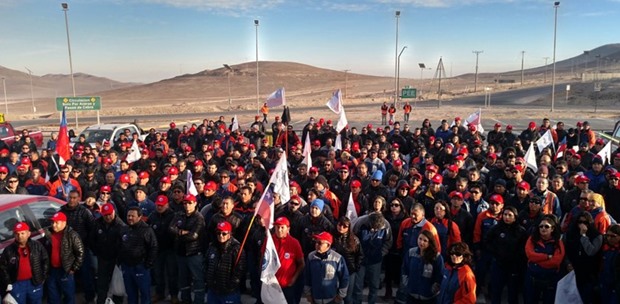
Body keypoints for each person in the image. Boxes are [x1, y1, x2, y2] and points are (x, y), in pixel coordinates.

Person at [485, 206, 527, 304]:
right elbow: (487, 241)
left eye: (510, 215)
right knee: (496, 292)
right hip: (498, 264)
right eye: (505, 214)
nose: (506, 217)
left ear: (515, 217)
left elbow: (524, 247)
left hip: (514, 266)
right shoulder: (496, 228)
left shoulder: (521, 231)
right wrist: (496, 252)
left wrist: (516, 257)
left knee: (513, 293)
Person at [169, 194, 206, 304]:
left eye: (190, 203)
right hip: (181, 252)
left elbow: (194, 236)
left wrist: (179, 233)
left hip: (194, 253)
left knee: (198, 279)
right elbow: (171, 229)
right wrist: (182, 232)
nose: (187, 205)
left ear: (195, 203)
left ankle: (198, 301)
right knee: (183, 279)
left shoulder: (199, 217)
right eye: (185, 203)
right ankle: (186, 300)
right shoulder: (179, 215)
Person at [0, 222, 49, 304]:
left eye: (22, 233)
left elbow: (45, 260)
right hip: (17, 285)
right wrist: (8, 282)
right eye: (17, 233)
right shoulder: (8, 250)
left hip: (34, 282)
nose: (20, 236)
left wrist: (43, 276)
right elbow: (2, 267)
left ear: (28, 233)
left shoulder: (37, 246)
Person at [42, 212, 84, 304]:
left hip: (65, 270)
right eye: (53, 222)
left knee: (68, 295)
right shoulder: (48, 234)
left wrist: (73, 268)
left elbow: (80, 253)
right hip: (51, 270)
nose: (54, 225)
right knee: (53, 295)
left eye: (57, 223)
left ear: (64, 223)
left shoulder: (72, 235)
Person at [118, 207, 158, 304]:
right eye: (128, 216)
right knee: (130, 294)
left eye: (133, 216)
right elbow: (119, 246)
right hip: (127, 267)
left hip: (141, 267)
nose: (130, 218)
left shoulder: (146, 230)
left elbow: (154, 247)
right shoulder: (124, 229)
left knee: (144, 294)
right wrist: (120, 261)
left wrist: (148, 263)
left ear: (139, 217)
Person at [89, 203, 126, 304]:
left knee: (117, 284)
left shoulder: (121, 225)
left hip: (116, 260)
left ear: (114, 212)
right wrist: (97, 252)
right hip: (103, 258)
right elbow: (92, 240)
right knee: (102, 283)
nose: (108, 217)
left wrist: (119, 258)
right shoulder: (97, 223)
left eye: (110, 214)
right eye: (105, 215)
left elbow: (124, 244)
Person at [352, 211, 392, 304]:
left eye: (377, 229)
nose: (374, 230)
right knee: (358, 286)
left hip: (376, 261)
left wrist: (381, 253)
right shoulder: (360, 223)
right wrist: (357, 255)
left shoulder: (386, 225)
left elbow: (388, 241)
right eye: (373, 228)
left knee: (374, 285)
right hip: (360, 260)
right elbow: (352, 240)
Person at [524, 214, 565, 304]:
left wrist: (537, 262)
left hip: (550, 280)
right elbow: (530, 255)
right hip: (533, 279)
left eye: (547, 226)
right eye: (541, 226)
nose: (543, 228)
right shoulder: (532, 239)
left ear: (552, 229)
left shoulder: (558, 243)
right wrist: (546, 257)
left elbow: (555, 262)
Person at [565, 211, 603, 303]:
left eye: (585, 222)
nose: (582, 225)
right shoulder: (571, 233)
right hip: (572, 271)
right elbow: (565, 250)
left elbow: (591, 251)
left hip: (589, 274)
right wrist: (568, 263)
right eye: (580, 222)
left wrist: (584, 236)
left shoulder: (596, 236)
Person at [147, 195, 179, 303]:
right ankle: (159, 293)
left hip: (170, 249)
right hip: (157, 249)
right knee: (158, 273)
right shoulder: (152, 215)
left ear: (167, 205)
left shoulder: (173, 215)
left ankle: (173, 294)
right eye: (158, 205)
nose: (159, 207)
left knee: (172, 274)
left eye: (162, 205)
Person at [205, 221, 246, 304]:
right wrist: (208, 279)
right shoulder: (212, 246)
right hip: (213, 289)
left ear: (229, 234)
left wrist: (231, 285)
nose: (221, 236)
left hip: (229, 292)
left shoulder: (236, 248)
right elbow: (205, 263)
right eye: (218, 233)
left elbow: (240, 270)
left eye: (224, 233)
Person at [304, 232, 349, 304]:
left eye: (320, 243)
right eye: (316, 242)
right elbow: (307, 276)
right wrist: (308, 294)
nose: (316, 245)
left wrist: (341, 295)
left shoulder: (337, 258)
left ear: (328, 245)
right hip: (316, 299)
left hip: (332, 299)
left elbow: (344, 278)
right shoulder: (311, 257)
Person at [401, 230, 444, 303]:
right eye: (420, 239)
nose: (421, 242)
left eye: (425, 240)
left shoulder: (436, 257)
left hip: (428, 297)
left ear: (430, 242)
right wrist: (407, 284)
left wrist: (433, 290)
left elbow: (440, 275)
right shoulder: (411, 252)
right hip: (411, 295)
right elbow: (405, 269)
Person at [272, 217, 305, 304]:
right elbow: (263, 259)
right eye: (277, 227)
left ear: (288, 229)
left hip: (287, 285)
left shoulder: (294, 243)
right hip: (271, 285)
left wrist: (294, 279)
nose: (279, 230)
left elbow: (301, 264)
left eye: (282, 227)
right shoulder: (269, 241)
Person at [331, 217, 363, 304]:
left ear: (349, 228)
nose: (341, 227)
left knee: (348, 297)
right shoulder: (331, 238)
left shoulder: (354, 239)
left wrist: (356, 267)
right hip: (334, 271)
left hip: (349, 271)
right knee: (334, 297)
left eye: (345, 226)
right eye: (340, 225)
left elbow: (360, 255)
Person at [600, 224, 620, 304]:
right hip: (605, 285)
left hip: (616, 288)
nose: (609, 238)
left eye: (613, 236)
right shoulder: (605, 248)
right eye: (607, 235)